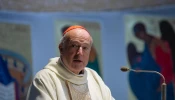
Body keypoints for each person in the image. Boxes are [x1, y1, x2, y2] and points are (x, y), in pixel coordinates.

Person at [26, 25, 115, 100]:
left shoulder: (94, 77)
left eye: (85, 48)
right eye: (74, 46)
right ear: (61, 49)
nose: (80, 53)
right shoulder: (45, 79)